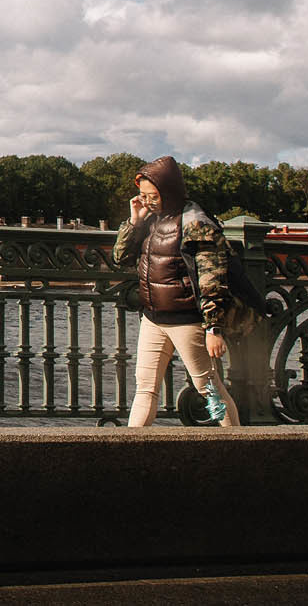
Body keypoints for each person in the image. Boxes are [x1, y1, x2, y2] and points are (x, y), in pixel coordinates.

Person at [113, 155, 242, 427]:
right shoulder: (149, 219)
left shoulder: (196, 223)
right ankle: (128, 452)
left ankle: (236, 445)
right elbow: (121, 257)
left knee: (209, 388)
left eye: (152, 195)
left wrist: (213, 328)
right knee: (145, 388)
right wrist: (135, 222)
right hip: (153, 319)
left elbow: (212, 278)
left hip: (187, 321)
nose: (147, 201)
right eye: (143, 195)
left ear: (169, 192)